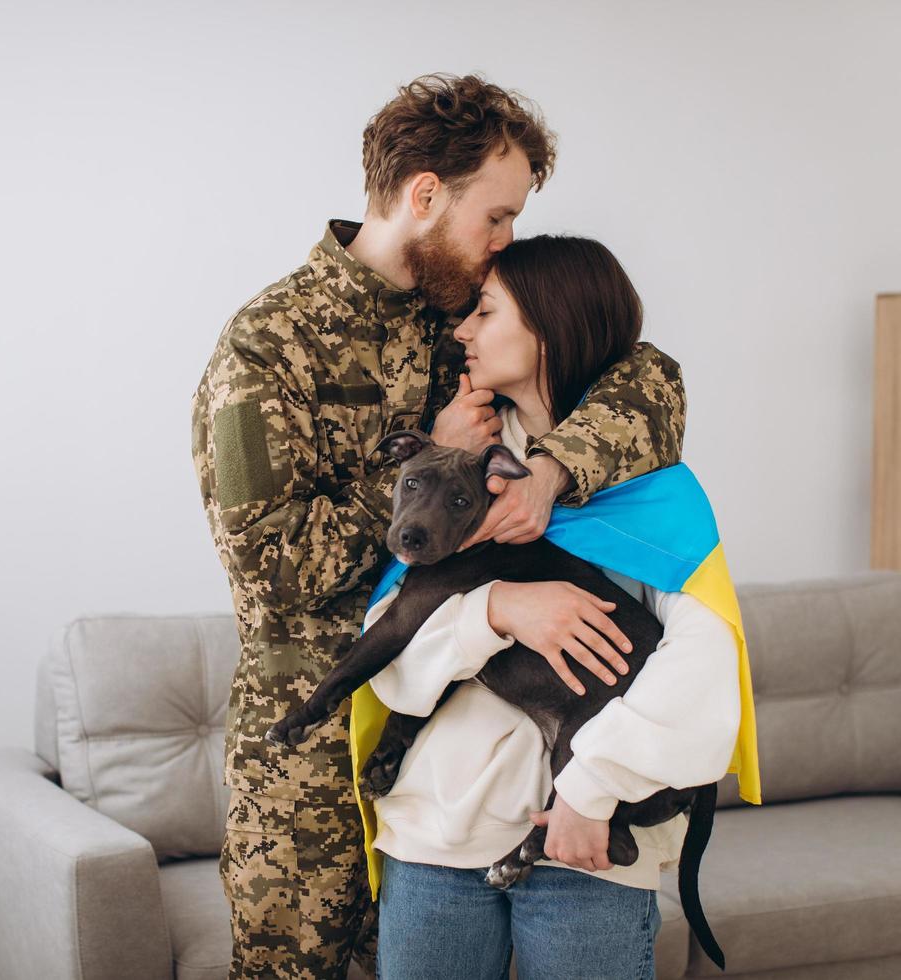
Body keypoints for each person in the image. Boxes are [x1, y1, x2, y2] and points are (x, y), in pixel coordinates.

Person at [189, 74, 688, 979]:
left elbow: (648, 376)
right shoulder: (266, 345)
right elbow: (272, 568)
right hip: (311, 759)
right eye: (494, 217)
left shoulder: (460, 317)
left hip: (449, 753)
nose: (506, 240)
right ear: (425, 195)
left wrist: (551, 468)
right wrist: (417, 466)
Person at [365, 235, 742, 980]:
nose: (463, 330)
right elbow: (392, 664)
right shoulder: (452, 475)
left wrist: (589, 792)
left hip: (586, 845)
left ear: (547, 328)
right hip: (434, 839)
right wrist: (500, 609)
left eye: (486, 311)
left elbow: (704, 659)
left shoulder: (652, 491)